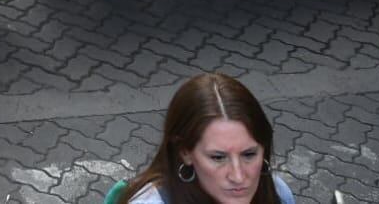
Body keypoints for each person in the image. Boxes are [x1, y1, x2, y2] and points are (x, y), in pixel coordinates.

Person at [116, 72, 296, 203]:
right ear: (185, 151)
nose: (238, 176)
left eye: (249, 154)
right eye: (218, 157)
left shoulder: (279, 195)